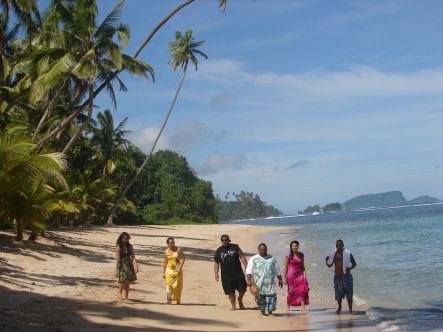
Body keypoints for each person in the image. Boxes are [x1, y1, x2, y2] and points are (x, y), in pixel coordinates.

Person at [246, 243, 283, 316]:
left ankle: (270, 312)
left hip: (270, 284)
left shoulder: (272, 258)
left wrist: (280, 280)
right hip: (259, 284)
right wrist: (249, 280)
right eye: (262, 250)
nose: (263, 251)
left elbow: (277, 270)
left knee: (271, 298)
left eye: (265, 250)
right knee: (260, 299)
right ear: (258, 250)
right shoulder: (254, 259)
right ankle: (262, 312)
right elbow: (249, 270)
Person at [214, 234, 248, 310]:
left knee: (243, 289)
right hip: (226, 275)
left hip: (238, 273)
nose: (224, 241)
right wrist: (216, 273)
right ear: (221, 241)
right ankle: (233, 305)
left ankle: (240, 299)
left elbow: (242, 256)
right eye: (222, 240)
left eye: (226, 240)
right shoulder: (219, 250)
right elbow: (216, 262)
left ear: (228, 240)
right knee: (230, 292)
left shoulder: (235, 247)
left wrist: (246, 266)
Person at [325, 239, 357, 314]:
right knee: (338, 294)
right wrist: (326, 261)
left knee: (349, 293)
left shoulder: (348, 253)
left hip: (347, 276)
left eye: (340, 245)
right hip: (337, 277)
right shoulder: (334, 254)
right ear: (336, 246)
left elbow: (354, 264)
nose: (338, 246)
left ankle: (350, 309)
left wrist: (350, 268)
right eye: (337, 245)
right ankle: (339, 307)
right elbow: (329, 265)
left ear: (343, 245)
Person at [283, 240, 309, 313]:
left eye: (296, 246)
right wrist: (284, 278)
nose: (294, 247)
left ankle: (303, 308)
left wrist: (305, 276)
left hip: (300, 275)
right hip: (291, 276)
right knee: (291, 292)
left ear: (298, 246)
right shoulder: (288, 257)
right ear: (291, 247)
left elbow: (303, 267)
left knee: (302, 290)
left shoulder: (301, 255)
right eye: (293, 246)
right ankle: (288, 306)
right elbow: (285, 268)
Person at [115, 232, 138, 300]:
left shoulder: (130, 246)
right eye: (125, 238)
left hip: (129, 264)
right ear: (121, 238)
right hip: (122, 264)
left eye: (127, 239)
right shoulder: (118, 247)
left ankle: (126, 296)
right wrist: (116, 270)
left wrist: (136, 265)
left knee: (128, 281)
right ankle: (119, 293)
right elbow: (118, 259)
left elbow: (133, 257)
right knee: (122, 280)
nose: (126, 240)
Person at [163, 237, 186, 304]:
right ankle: (169, 299)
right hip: (169, 270)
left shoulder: (179, 249)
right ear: (168, 244)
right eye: (171, 243)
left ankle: (178, 300)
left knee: (178, 285)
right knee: (169, 284)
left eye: (173, 243)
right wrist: (163, 272)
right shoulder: (166, 251)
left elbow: (183, 258)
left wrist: (180, 267)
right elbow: (165, 262)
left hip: (177, 269)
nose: (173, 244)